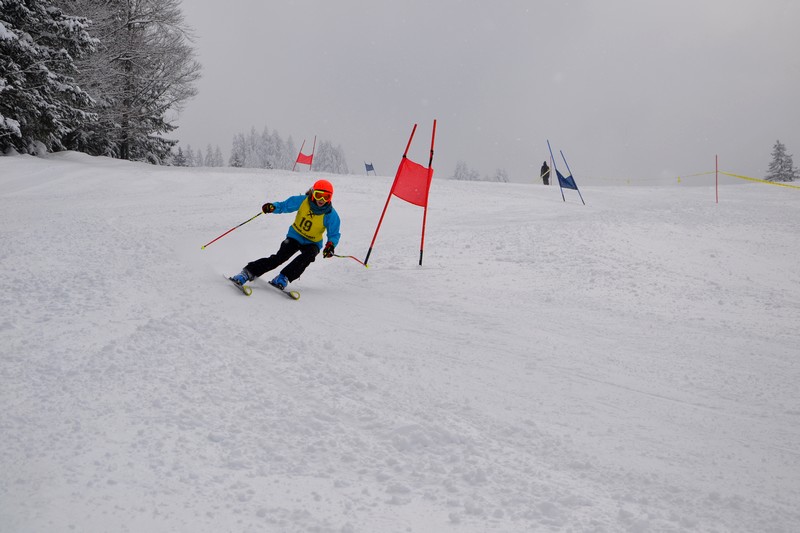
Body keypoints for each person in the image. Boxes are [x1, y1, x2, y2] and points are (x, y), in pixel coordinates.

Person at [229, 179, 341, 291]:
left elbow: (334, 234)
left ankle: (283, 278)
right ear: (313, 193)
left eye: (326, 197)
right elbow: (285, 206)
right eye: (318, 195)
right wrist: (273, 207)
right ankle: (247, 273)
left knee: (307, 257)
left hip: (312, 243)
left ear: (330, 198)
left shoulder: (331, 215)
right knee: (280, 258)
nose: (321, 200)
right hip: (295, 237)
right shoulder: (303, 201)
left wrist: (330, 245)